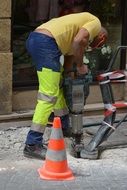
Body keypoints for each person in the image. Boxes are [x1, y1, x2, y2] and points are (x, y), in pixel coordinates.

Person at [23, 12, 108, 160]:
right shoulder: (95, 23)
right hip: (46, 43)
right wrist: (81, 66)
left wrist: (68, 73)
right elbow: (78, 41)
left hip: (40, 40)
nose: (91, 46)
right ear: (101, 37)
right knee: (48, 95)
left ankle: (63, 126)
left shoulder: (76, 29)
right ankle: (32, 144)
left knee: (58, 88)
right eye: (95, 45)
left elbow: (70, 54)